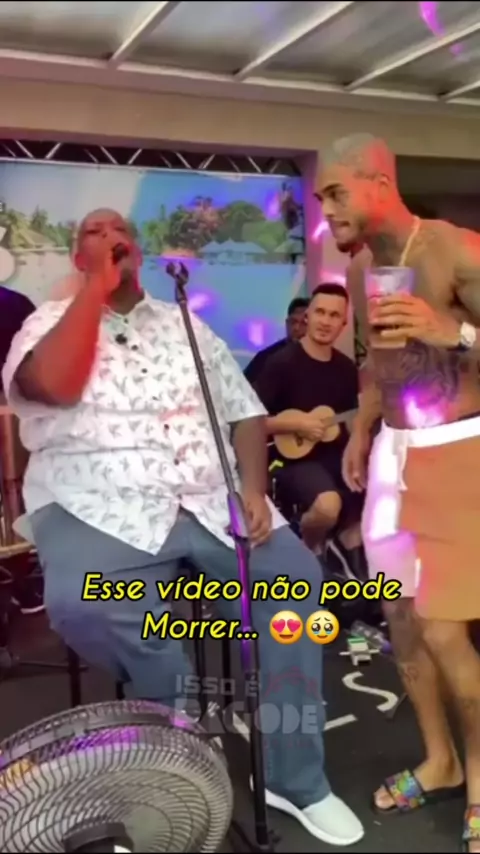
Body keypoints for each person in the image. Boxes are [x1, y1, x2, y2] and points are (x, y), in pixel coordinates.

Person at [2, 208, 363, 847]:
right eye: (93, 233)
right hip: (96, 504)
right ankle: (181, 741)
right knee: (86, 602)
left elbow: (244, 414)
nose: (111, 239)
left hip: (206, 498)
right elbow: (52, 386)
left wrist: (252, 489)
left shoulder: (187, 326)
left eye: (121, 232)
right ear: (78, 255)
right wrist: (93, 289)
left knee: (294, 585)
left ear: (140, 252)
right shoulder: (45, 324)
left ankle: (293, 778)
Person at [317, 132, 480, 851]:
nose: (326, 211)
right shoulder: (363, 270)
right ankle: (440, 761)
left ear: (378, 183)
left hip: (458, 452)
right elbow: (377, 362)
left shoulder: (456, 249)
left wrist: (455, 331)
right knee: (403, 621)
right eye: (321, 197)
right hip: (394, 454)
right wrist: (362, 428)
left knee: (446, 631)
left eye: (335, 192)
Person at [255, 283, 365, 575]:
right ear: (308, 316)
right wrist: (295, 423)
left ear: (343, 323)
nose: (326, 321)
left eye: (334, 315)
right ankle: (307, 552)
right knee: (328, 504)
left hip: (337, 457)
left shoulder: (346, 369)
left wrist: (361, 441)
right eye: (320, 312)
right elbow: (251, 423)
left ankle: (348, 570)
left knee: (373, 498)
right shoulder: (280, 363)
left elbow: (352, 418)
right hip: (291, 462)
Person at [244, 297, 308, 385]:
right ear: (286, 323)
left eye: (303, 323)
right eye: (293, 322)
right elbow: (242, 387)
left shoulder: (320, 358)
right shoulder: (266, 357)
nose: (296, 328)